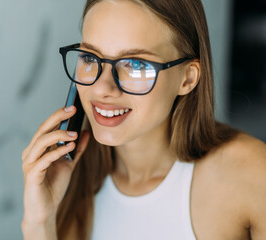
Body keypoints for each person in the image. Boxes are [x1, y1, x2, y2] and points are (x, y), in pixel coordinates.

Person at [21, 0, 266, 239]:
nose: (102, 87)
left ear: (188, 79)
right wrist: (39, 223)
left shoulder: (251, 175)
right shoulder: (69, 182)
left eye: (136, 64)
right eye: (90, 57)